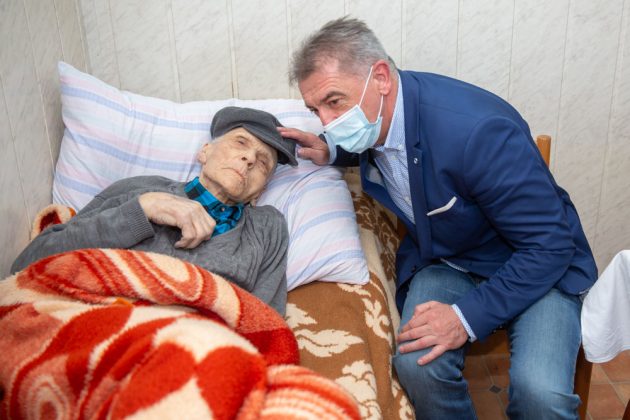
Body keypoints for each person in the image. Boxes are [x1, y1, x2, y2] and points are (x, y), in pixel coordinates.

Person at [279, 16, 597, 419]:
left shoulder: (477, 133)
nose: (327, 122)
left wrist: (465, 317)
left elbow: (550, 246)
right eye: (315, 110)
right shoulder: (376, 118)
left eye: (334, 102)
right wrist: (333, 150)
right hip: (450, 259)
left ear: (381, 78)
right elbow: (367, 140)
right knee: (417, 365)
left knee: (541, 395)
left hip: (533, 265)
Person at [11, 106, 298, 315]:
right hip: (108, 321)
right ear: (205, 151)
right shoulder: (141, 190)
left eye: (263, 163)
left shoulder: (267, 227)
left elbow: (265, 320)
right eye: (240, 142)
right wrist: (144, 209)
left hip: (199, 346)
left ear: (259, 191)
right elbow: (28, 264)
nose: (249, 158)